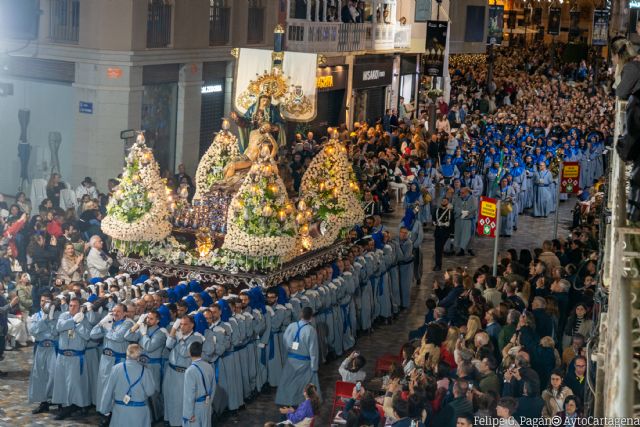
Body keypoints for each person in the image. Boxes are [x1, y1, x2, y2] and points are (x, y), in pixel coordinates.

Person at [92, 303, 136, 425]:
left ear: (124, 313)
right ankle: (105, 412)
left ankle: (114, 414)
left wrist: (106, 329)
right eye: (113, 311)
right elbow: (93, 334)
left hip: (118, 360)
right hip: (106, 359)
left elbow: (118, 337)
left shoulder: (128, 323)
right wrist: (102, 322)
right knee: (104, 386)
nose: (115, 314)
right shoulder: (109, 322)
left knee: (116, 388)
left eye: (118, 311)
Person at [51, 297, 92, 420]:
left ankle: (74, 406)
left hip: (76, 357)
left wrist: (78, 324)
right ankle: (64, 404)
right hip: (62, 356)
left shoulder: (85, 319)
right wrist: (73, 321)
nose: (72, 308)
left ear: (80, 307)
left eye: (75, 306)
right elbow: (59, 327)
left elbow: (87, 335)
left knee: (74, 384)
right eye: (70, 305)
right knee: (61, 382)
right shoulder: (64, 315)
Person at [124, 309, 167, 423]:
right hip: (141, 364)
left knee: (153, 392)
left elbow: (149, 347)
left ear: (157, 320)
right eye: (147, 318)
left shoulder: (161, 333)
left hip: (153, 366)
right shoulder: (143, 329)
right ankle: (145, 416)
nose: (148, 320)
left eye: (151, 318)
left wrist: (143, 334)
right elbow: (127, 336)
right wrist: (138, 324)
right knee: (141, 391)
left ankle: (157, 417)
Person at [99, 343, 156, 427]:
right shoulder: (146, 371)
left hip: (120, 411)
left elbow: (108, 391)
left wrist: (105, 410)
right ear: (139, 355)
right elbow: (150, 392)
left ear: (127, 353)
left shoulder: (116, 368)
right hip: (139, 412)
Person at [275, 306, 321, 407]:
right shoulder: (311, 330)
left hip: (291, 359)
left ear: (301, 314)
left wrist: (289, 351)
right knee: (303, 385)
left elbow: (285, 340)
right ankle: (302, 403)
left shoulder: (291, 326)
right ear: (311, 317)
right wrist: (314, 367)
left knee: (289, 382)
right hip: (304, 362)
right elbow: (313, 350)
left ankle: (287, 401)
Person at [164, 315, 204, 426]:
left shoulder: (196, 338)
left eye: (185, 324)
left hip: (183, 373)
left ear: (192, 325)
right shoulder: (177, 335)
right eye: (180, 324)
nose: (182, 327)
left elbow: (185, 352)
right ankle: (170, 422)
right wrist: (173, 331)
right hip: (171, 371)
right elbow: (168, 345)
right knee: (169, 398)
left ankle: (180, 424)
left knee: (180, 402)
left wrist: (181, 339)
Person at [28, 293, 59, 414]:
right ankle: (43, 402)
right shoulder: (36, 316)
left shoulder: (57, 315)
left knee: (54, 375)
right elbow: (33, 331)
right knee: (40, 375)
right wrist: (44, 319)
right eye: (42, 301)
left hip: (53, 348)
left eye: (46, 301)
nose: (44, 303)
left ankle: (57, 400)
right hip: (41, 348)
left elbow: (56, 332)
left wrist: (50, 319)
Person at [183, 341, 215, 427]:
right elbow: (213, 388)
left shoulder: (190, 371)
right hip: (207, 405)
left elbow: (189, 395)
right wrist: (209, 403)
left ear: (189, 353)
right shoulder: (209, 366)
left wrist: (188, 414)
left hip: (196, 408)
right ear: (201, 352)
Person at [0, 292, 20, 376]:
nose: (1, 291)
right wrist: (11, 304)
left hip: (2, 328)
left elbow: (7, 312)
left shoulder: (2, 298)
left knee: (0, 351)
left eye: (2, 289)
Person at [453, 187, 477, 256]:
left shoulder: (472, 198)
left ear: (467, 192)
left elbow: (474, 208)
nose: (461, 194)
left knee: (468, 236)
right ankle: (461, 250)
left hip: (468, 220)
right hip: (459, 219)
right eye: (460, 192)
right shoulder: (458, 198)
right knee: (460, 235)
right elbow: (456, 207)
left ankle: (469, 249)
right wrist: (461, 212)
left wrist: (467, 212)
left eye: (462, 193)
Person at [433, 197, 453, 271]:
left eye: (445, 201)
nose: (444, 202)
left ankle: (438, 265)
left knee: (440, 249)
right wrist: (434, 222)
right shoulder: (437, 210)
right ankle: (437, 265)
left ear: (448, 202)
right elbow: (434, 218)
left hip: (445, 233)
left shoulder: (450, 211)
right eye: (443, 201)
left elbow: (451, 222)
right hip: (438, 232)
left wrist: (451, 233)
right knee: (437, 249)